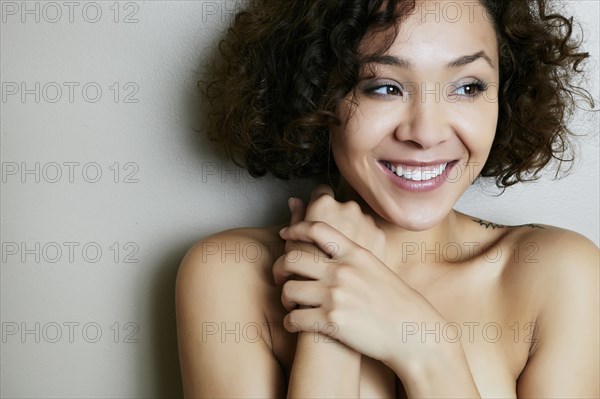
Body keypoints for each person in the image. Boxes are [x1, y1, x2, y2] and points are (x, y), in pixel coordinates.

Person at [176, 0, 599, 397]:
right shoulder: (228, 272)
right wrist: (328, 332)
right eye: (383, 87)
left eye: (467, 87)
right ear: (316, 93)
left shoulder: (558, 273)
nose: (426, 132)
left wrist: (428, 348)